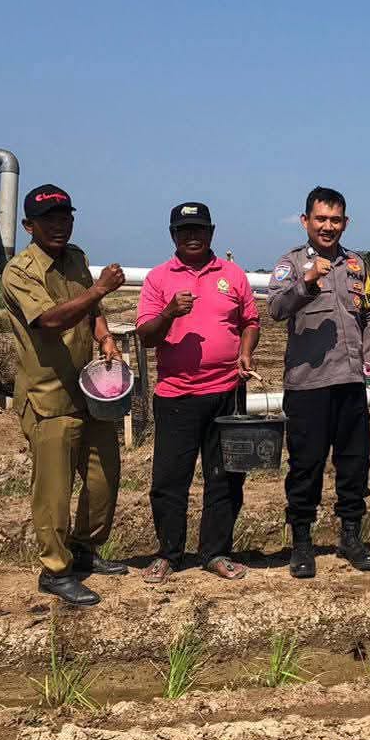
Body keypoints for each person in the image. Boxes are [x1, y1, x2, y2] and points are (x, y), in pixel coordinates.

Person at [0, 184, 130, 608]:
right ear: (28, 226)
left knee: (104, 477)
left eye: (65, 217)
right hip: (48, 397)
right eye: (48, 219)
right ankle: (55, 571)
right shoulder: (19, 272)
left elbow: (91, 312)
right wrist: (99, 290)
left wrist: (105, 338)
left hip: (90, 390)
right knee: (53, 490)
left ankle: (85, 549)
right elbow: (51, 320)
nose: (59, 225)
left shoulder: (76, 258)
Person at [136, 201, 261, 583]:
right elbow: (146, 335)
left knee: (226, 477)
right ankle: (168, 554)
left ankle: (215, 552)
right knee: (169, 480)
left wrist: (245, 352)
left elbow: (250, 321)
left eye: (200, 230)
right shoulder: (158, 279)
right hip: (177, 396)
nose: (193, 236)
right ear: (172, 235)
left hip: (227, 393)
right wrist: (169, 313)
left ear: (211, 233)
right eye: (184, 230)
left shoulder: (232, 274)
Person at [267, 187, 370, 579]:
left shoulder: (357, 265)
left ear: (345, 223)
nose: (328, 226)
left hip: (351, 382)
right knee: (306, 465)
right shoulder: (290, 263)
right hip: (308, 386)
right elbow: (275, 308)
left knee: (354, 463)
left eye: (335, 220)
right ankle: (302, 543)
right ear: (306, 221)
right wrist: (307, 281)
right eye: (321, 219)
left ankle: (350, 537)